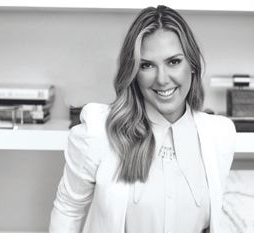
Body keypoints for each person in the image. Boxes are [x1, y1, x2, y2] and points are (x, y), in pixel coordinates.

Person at [49, 5, 236, 233]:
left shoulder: (219, 135)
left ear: (193, 66)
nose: (162, 79)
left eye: (174, 62)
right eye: (147, 65)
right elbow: (69, 208)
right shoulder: (99, 131)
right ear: (134, 72)